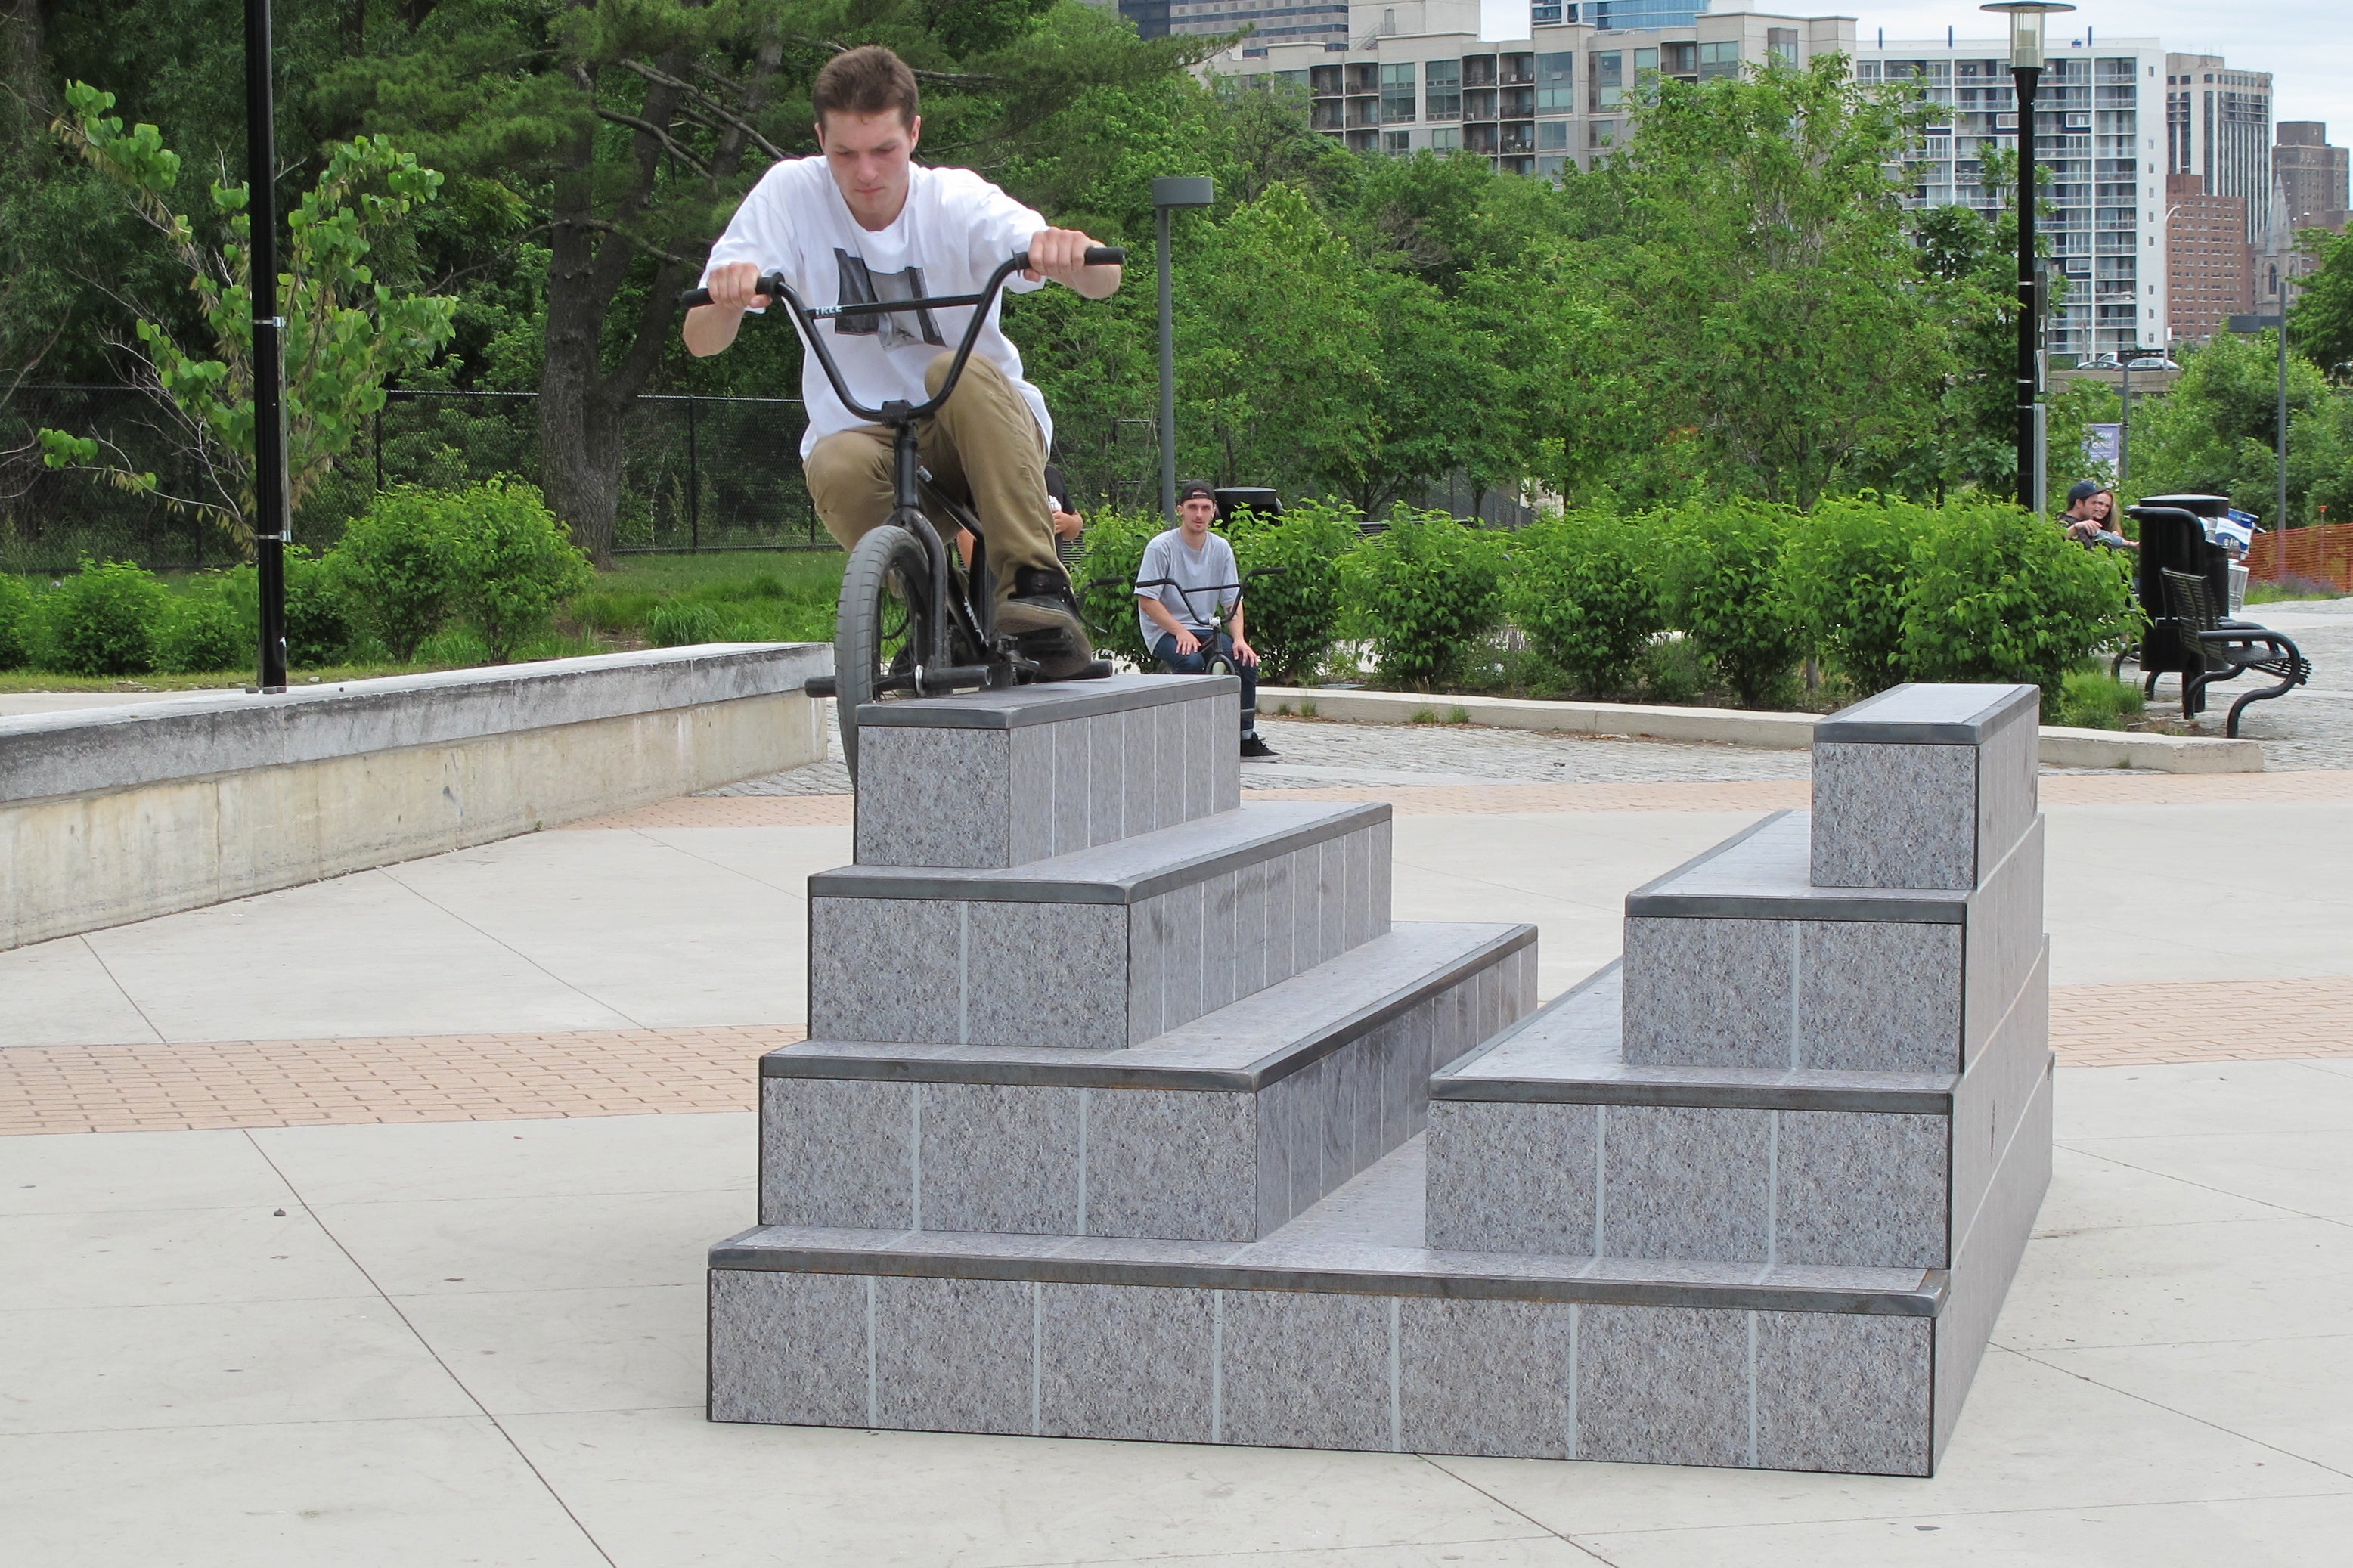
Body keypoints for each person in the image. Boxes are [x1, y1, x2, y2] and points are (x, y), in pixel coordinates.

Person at [682, 45, 1119, 677]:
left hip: (985, 435)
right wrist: (726, 298)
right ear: (819, 140)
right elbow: (700, 340)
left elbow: (1103, 281)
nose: (865, 174)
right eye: (845, 154)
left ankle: (1035, 588)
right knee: (830, 459)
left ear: (913, 133)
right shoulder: (789, 195)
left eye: (884, 151)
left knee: (949, 369)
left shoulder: (955, 200)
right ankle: (926, 604)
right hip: (876, 442)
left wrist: (1071, 255)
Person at [1137, 482, 1278, 760]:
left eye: (1205, 508)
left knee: (1244, 662)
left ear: (1214, 512)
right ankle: (1188, 736)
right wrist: (1179, 632)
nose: (1198, 514)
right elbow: (1148, 601)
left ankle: (1244, 736)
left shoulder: (1221, 548)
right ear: (1180, 511)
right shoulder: (1161, 547)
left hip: (1206, 627)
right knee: (1191, 663)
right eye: (1192, 508)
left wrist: (1239, 639)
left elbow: (1232, 601)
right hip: (1166, 630)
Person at [2060, 481, 2136, 553]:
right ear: (2079, 503)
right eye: (2093, 503)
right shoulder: (2063, 523)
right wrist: (2075, 528)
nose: (2097, 508)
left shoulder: (2087, 525)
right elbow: (2055, 544)